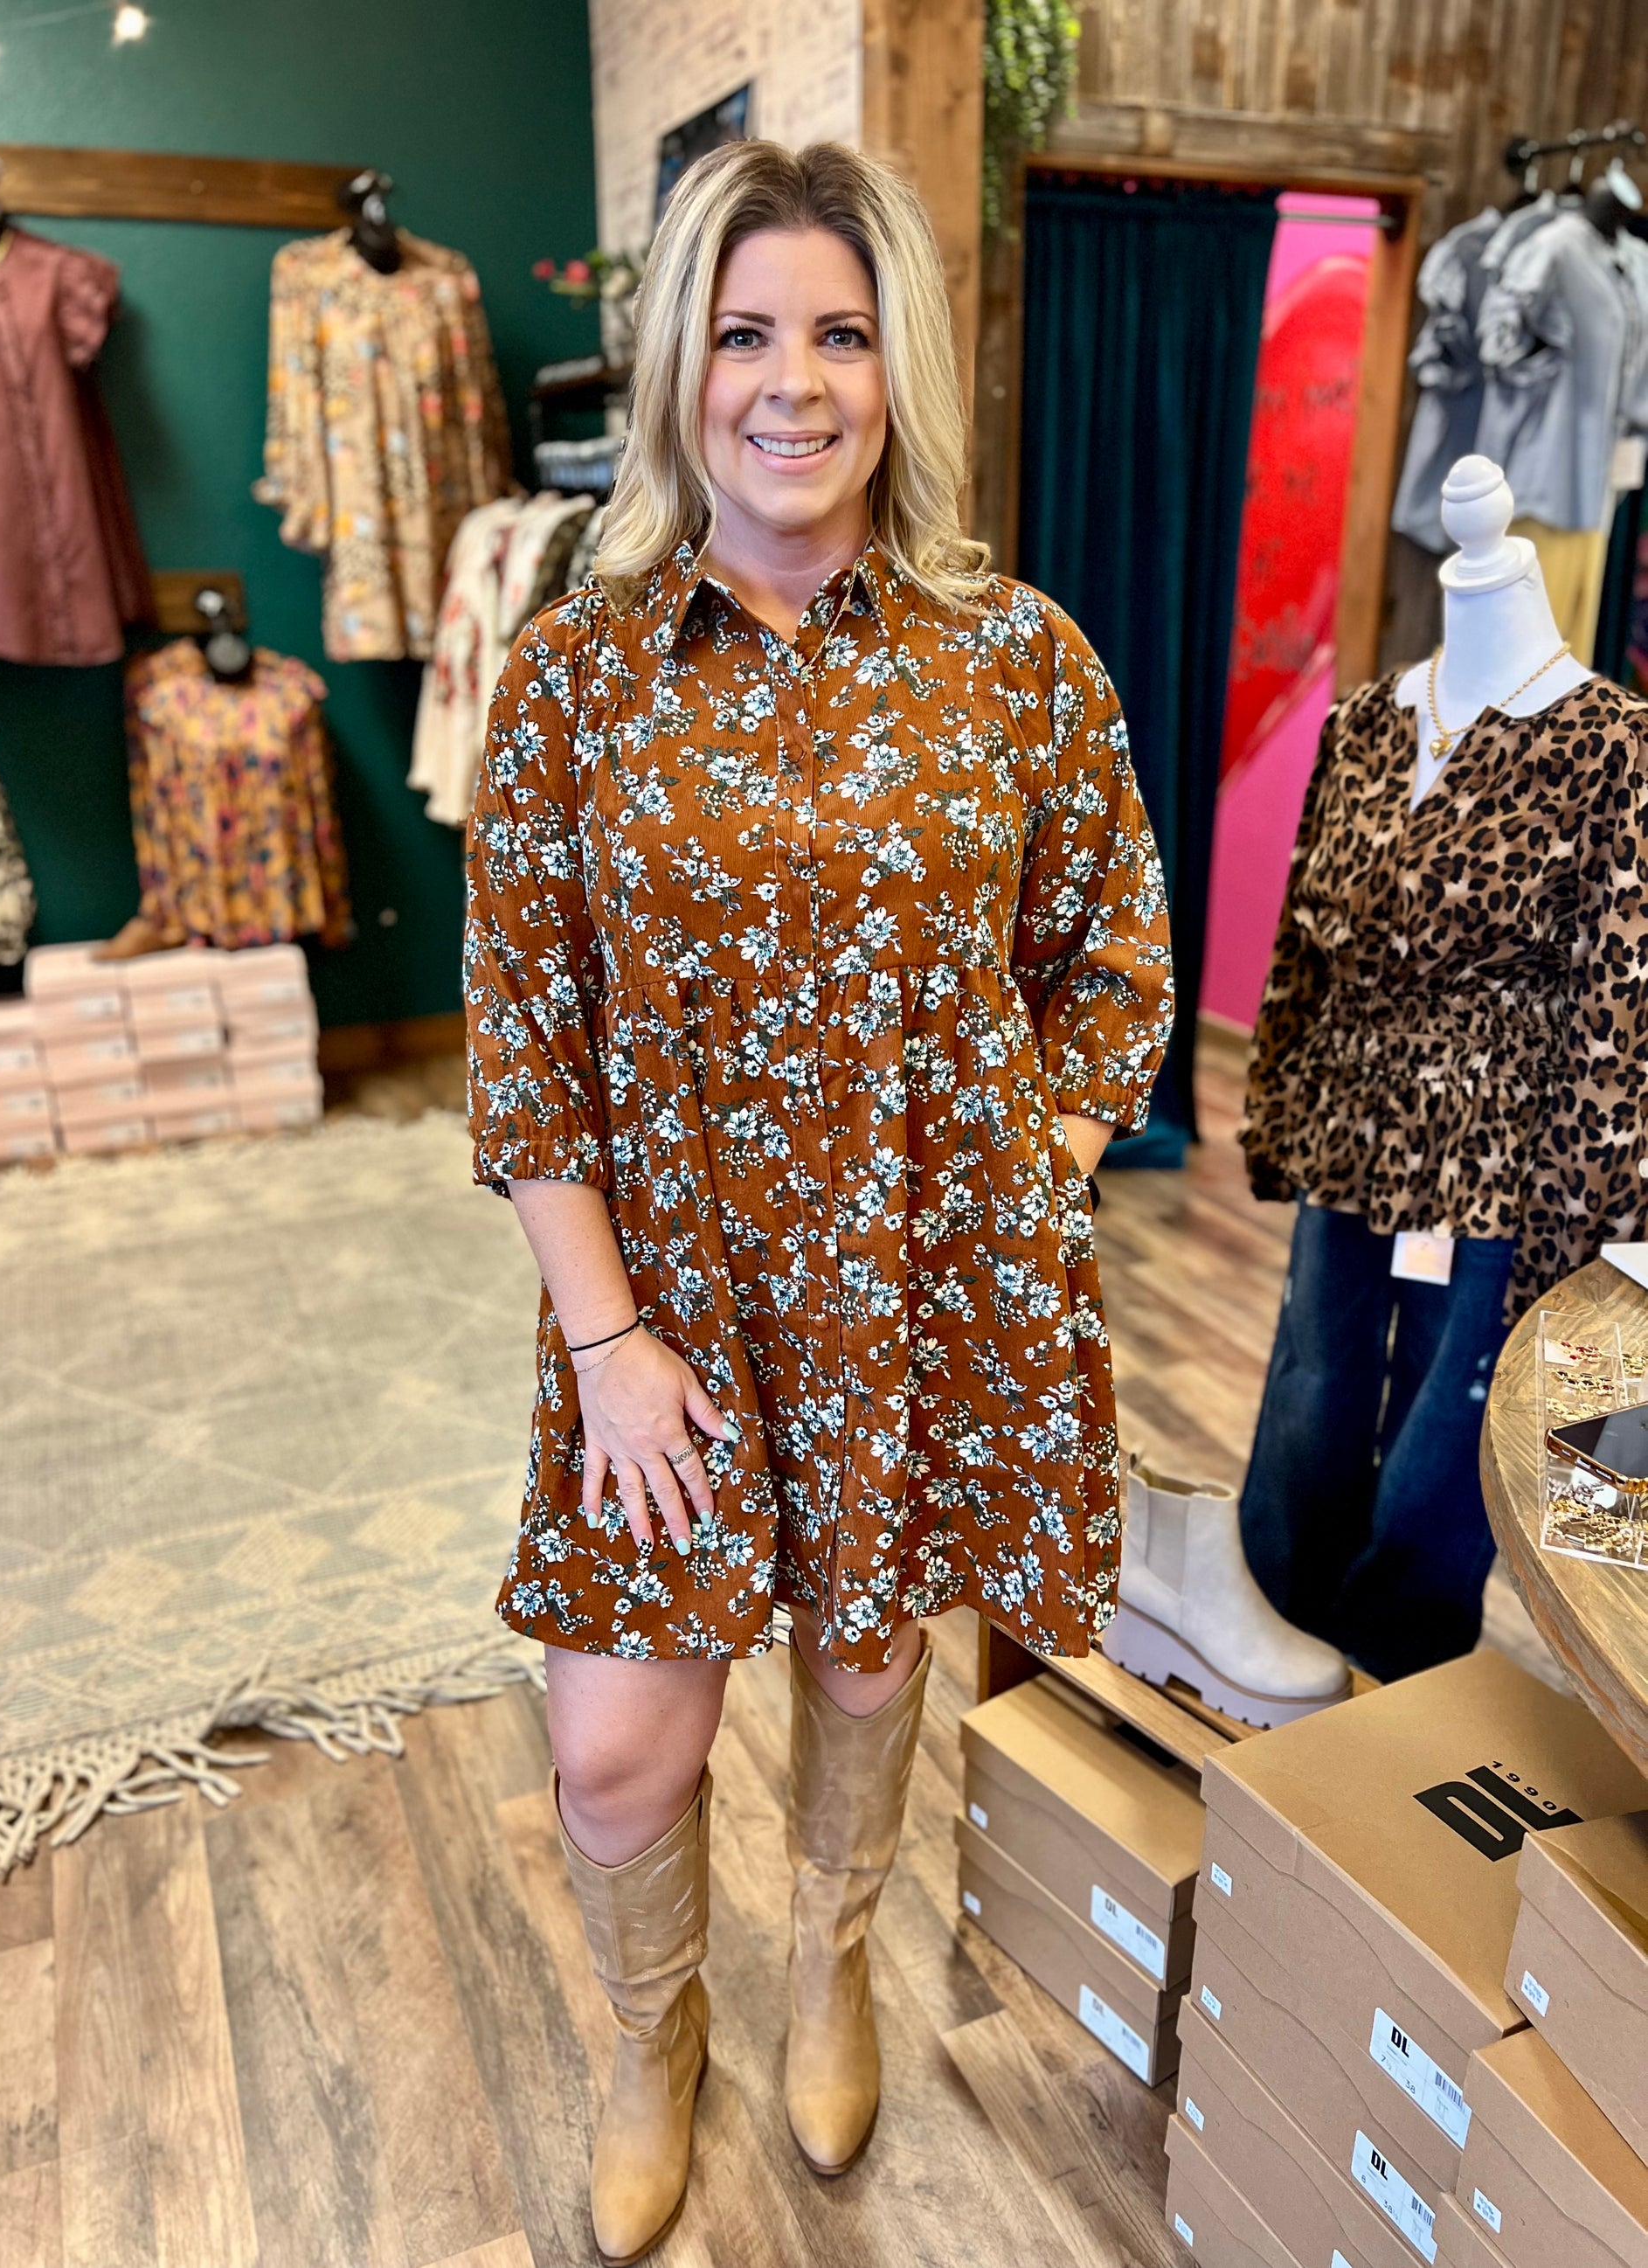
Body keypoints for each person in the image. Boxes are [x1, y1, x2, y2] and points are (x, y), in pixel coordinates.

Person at [464, 138, 1172, 2266]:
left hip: (904, 1300)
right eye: (745, 332)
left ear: (898, 367)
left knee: (866, 1668)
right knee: (617, 1748)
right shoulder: (576, 675)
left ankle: (831, 1961)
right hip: (659, 1314)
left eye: (841, 333)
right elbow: (527, 1038)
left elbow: (1113, 957)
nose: (794, 382)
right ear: (678, 369)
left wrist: (1012, 1194)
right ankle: (646, 2035)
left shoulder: (1013, 657)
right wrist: (608, 1344)